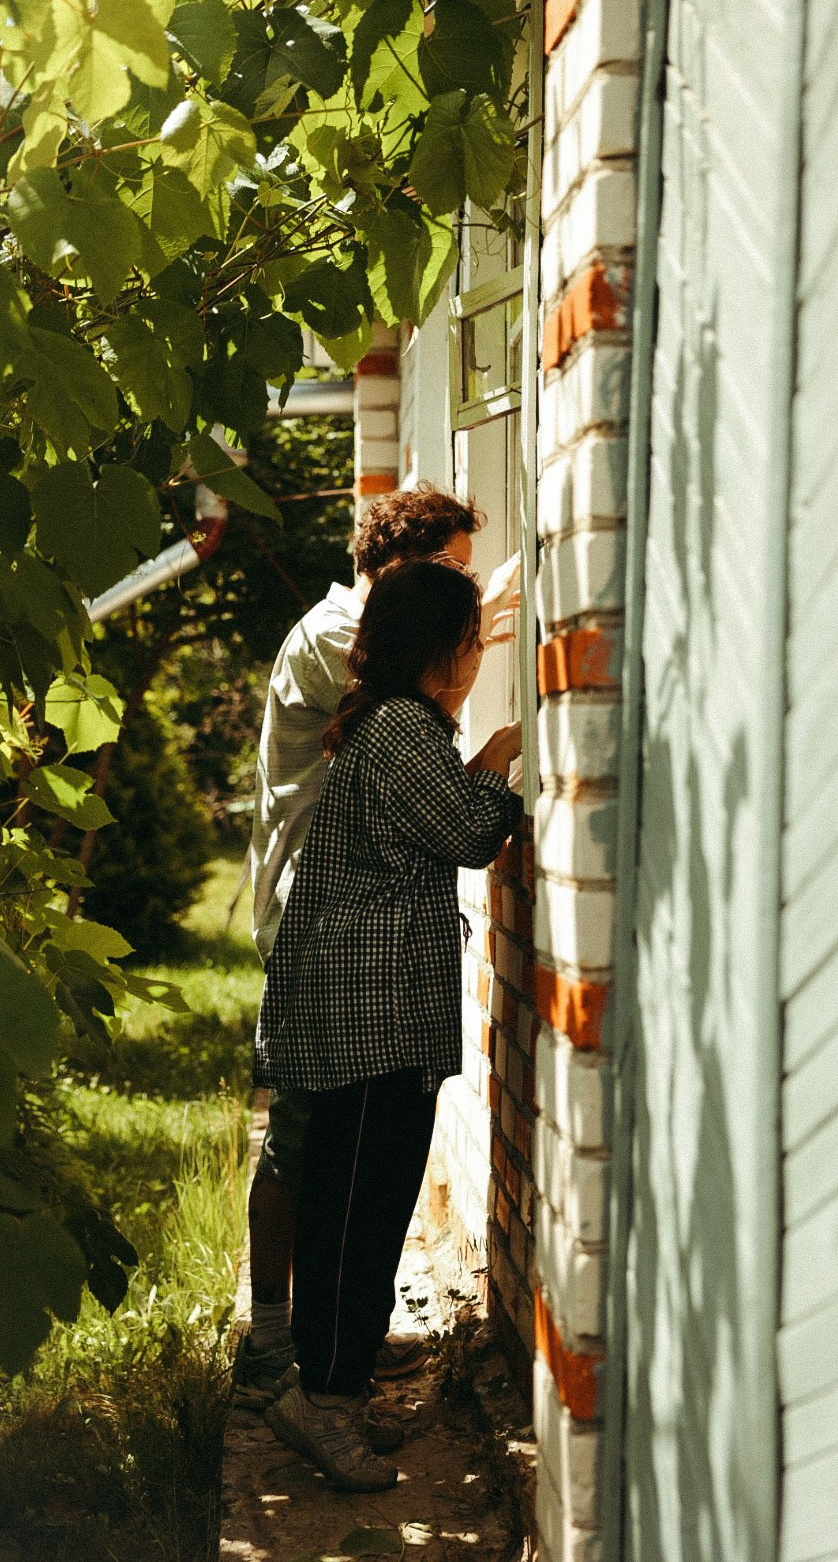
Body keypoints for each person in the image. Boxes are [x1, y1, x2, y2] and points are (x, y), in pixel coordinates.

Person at [238, 486, 520, 1411]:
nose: (478, 642)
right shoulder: (379, 694)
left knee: (355, 1183)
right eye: (451, 589)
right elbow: (458, 825)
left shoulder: (398, 704)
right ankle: (303, 1372)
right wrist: (502, 759)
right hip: (347, 976)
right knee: (331, 1174)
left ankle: (333, 1362)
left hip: (361, 970)